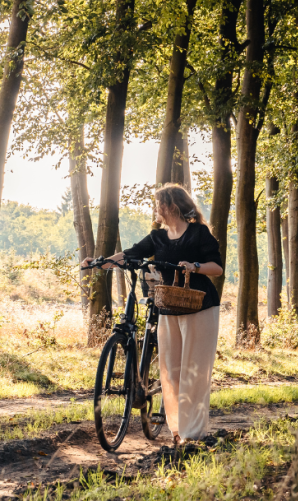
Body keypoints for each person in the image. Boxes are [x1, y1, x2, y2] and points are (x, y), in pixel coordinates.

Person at [82, 183, 223, 444]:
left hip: (200, 307)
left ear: (170, 206)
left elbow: (217, 268)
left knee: (194, 371)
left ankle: (194, 433)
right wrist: (99, 262)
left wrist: (195, 266)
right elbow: (130, 254)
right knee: (170, 370)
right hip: (169, 307)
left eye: (158, 203)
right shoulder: (157, 237)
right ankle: (179, 430)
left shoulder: (199, 233)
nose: (155, 208)